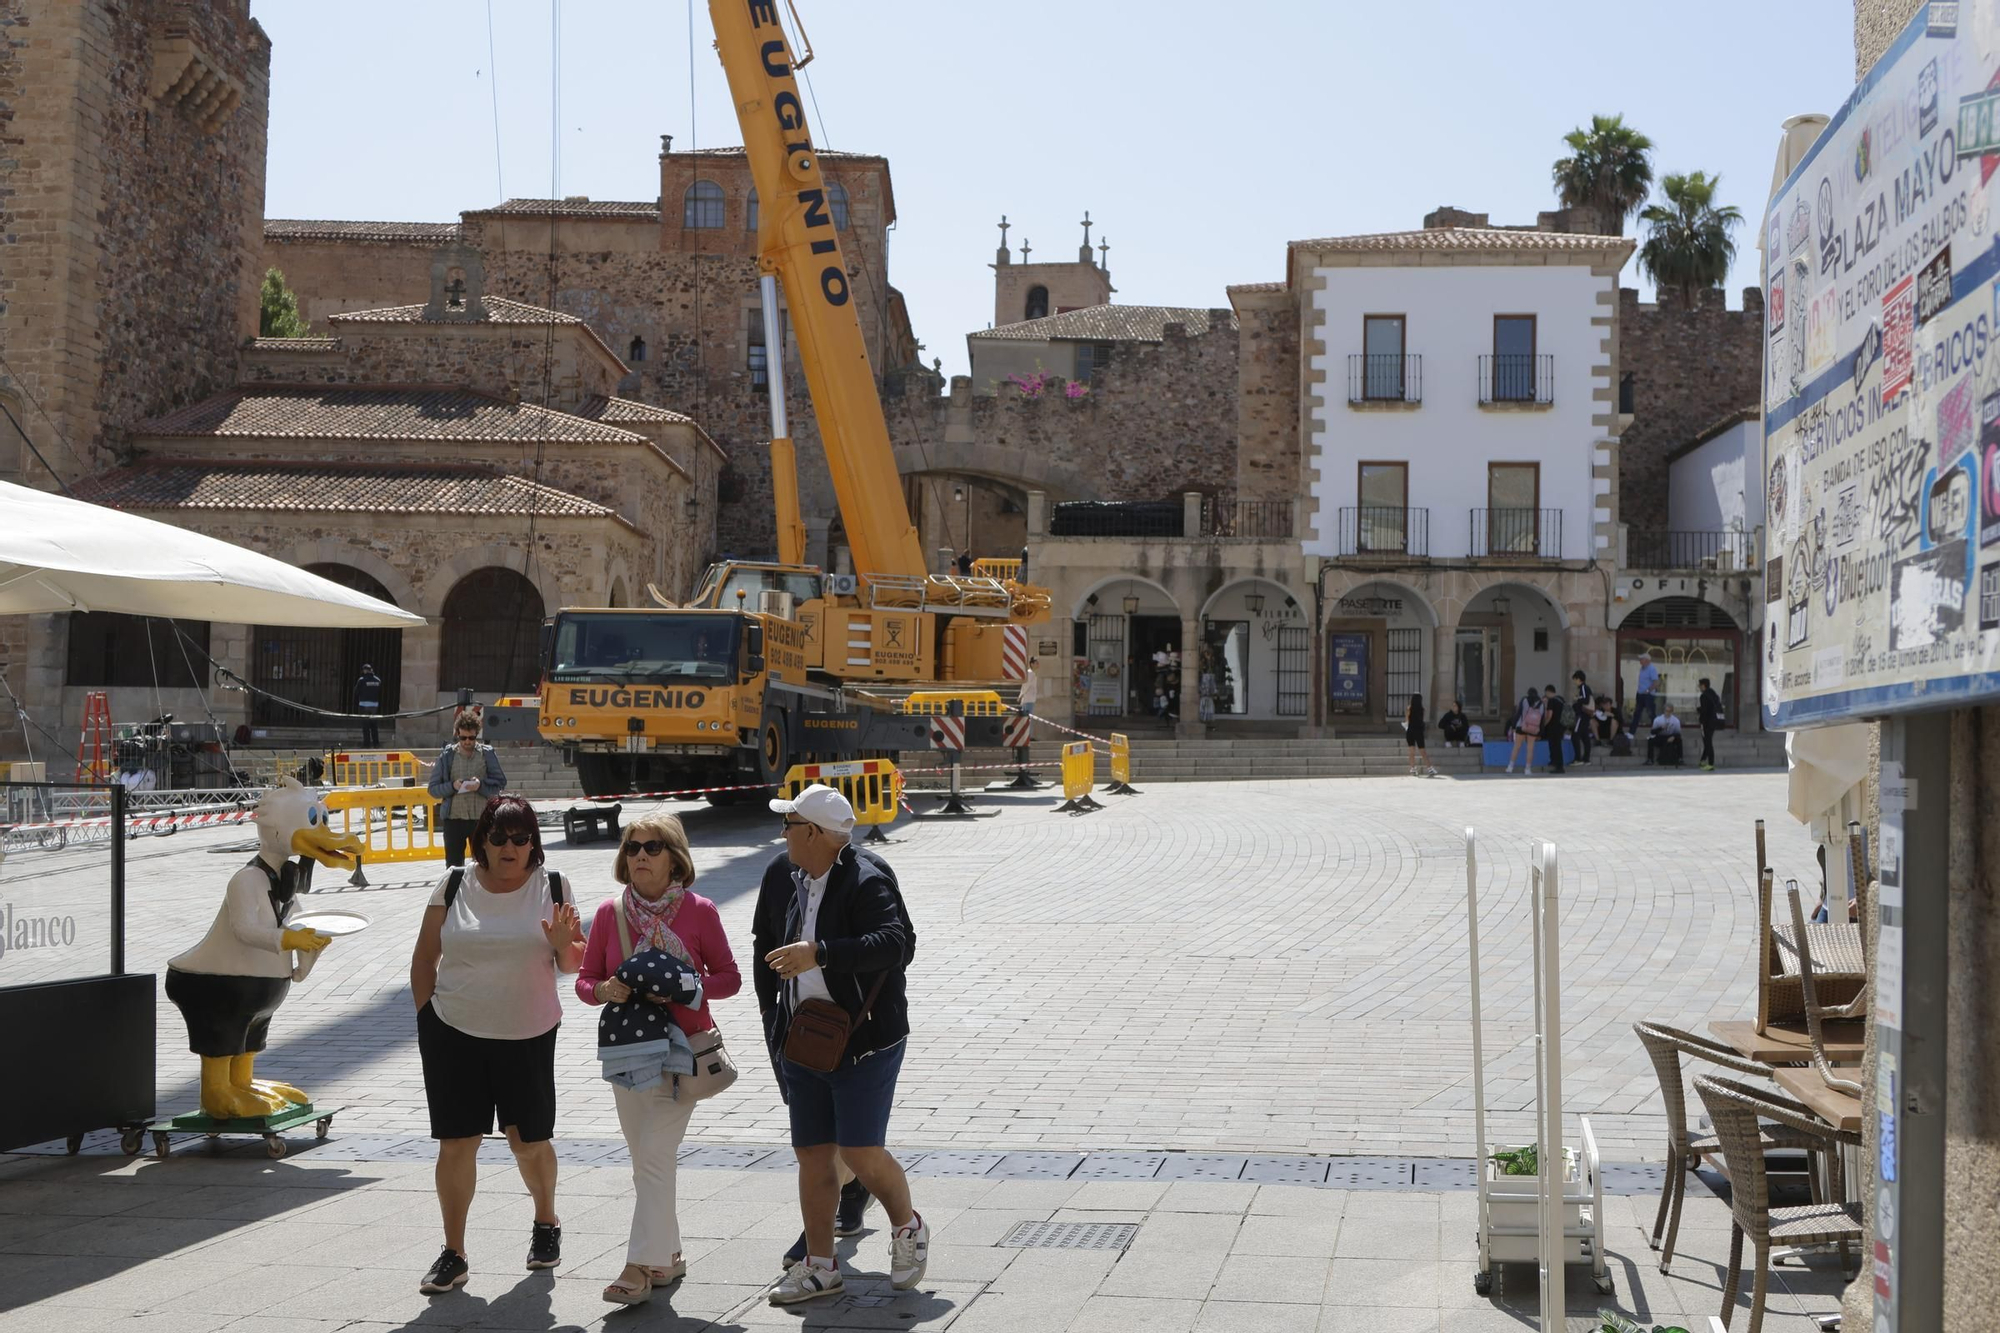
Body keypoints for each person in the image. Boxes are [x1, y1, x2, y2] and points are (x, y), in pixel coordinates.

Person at [753, 785, 926, 1306]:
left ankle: (907, 1226)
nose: (781, 833)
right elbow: (765, 950)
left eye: (789, 824)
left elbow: (898, 944)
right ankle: (821, 1266)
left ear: (812, 833)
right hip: (805, 1039)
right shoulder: (786, 876)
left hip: (864, 1041)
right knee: (812, 1155)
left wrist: (821, 953)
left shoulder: (866, 877)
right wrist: (775, 1030)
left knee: (859, 1150)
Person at [409, 794, 585, 1295]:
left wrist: (562, 946)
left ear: (534, 843)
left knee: (527, 1142)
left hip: (527, 1034)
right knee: (457, 1142)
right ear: (481, 841)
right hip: (453, 1032)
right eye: (499, 837)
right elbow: (424, 958)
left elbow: (575, 965)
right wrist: (427, 1021)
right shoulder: (454, 883)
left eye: (521, 837)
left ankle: (546, 1221)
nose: (510, 847)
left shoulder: (552, 885)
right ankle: (453, 1253)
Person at [578, 814, 741, 1306]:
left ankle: (636, 1267)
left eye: (651, 847)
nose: (640, 856)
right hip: (628, 1052)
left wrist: (688, 985)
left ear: (675, 858)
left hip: (682, 1053)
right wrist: (605, 988)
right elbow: (586, 980)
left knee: (652, 1155)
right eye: (632, 848)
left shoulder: (700, 910)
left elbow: (730, 978)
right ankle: (667, 1255)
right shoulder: (610, 913)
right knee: (646, 1160)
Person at [428, 717, 507, 868]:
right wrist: (453, 786)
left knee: (483, 864)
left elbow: (500, 784)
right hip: (454, 820)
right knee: (453, 866)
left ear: (477, 734)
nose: (467, 741)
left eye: (471, 737)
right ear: (457, 734)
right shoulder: (447, 755)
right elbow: (433, 789)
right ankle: (455, 892)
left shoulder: (487, 753)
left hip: (481, 820)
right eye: (463, 737)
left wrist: (480, 786)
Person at [1505, 689, 1544, 775]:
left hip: (1521, 726)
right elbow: (1541, 718)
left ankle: (1510, 767)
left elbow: (1518, 713)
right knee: (1530, 749)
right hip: (1533, 728)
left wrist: (1514, 725)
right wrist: (1540, 733)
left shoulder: (1524, 700)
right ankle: (1527, 769)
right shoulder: (1541, 703)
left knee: (1517, 746)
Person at [1403, 694, 1436, 777]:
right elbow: (1421, 721)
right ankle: (1430, 768)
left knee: (1411, 751)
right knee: (1423, 751)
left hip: (1410, 731)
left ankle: (1413, 768)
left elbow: (1407, 720)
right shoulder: (1422, 709)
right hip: (1419, 731)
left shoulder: (1409, 709)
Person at [1697, 677, 1724, 771]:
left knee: (1707, 742)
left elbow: (1705, 710)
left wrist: (1699, 711)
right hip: (1714, 721)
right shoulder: (1713, 694)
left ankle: (1710, 763)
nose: (1699, 687)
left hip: (1706, 722)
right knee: (1707, 741)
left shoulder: (1704, 696)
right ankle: (1702, 760)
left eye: (1699, 685)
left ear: (1703, 686)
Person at [355, 663, 384, 747]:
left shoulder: (361, 680)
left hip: (364, 705)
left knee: (365, 726)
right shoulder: (377, 680)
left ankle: (366, 744)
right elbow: (380, 692)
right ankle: (376, 743)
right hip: (374, 705)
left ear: (364, 670)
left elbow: (356, 692)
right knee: (374, 725)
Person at [1540, 685, 1566, 775]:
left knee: (1555, 746)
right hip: (1561, 726)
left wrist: (1544, 725)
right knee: (1557, 746)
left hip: (1553, 727)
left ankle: (1559, 766)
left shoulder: (1551, 701)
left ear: (1548, 692)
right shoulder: (1561, 700)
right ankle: (1555, 762)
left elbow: (1549, 715)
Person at [1631, 652, 1660, 730]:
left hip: (1648, 695)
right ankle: (1631, 732)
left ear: (1647, 660)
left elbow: (1656, 682)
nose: (1640, 661)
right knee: (1637, 713)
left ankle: (1656, 732)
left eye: (1641, 659)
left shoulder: (1652, 669)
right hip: (1640, 694)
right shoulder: (1642, 669)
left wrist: (1648, 690)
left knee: (1651, 714)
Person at [1569, 671, 1593, 766]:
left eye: (1575, 679)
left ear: (1579, 679)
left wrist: (1576, 699)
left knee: (1575, 736)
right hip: (1585, 716)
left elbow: (1585, 700)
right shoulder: (1585, 688)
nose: (1574, 682)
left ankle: (1578, 758)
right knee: (1584, 736)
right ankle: (1586, 759)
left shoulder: (1583, 687)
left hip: (1581, 716)